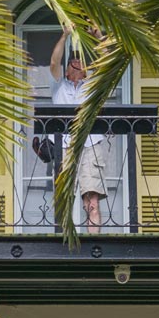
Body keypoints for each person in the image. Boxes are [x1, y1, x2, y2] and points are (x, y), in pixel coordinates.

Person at [48, 26, 111, 234]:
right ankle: (62, 245)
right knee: (63, 199)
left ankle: (94, 243)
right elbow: (53, 62)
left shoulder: (92, 84)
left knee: (92, 202)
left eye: (80, 62)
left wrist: (99, 37)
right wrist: (65, 35)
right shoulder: (59, 85)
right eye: (72, 63)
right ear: (66, 70)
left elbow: (109, 65)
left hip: (90, 144)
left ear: (86, 69)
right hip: (63, 145)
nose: (76, 64)